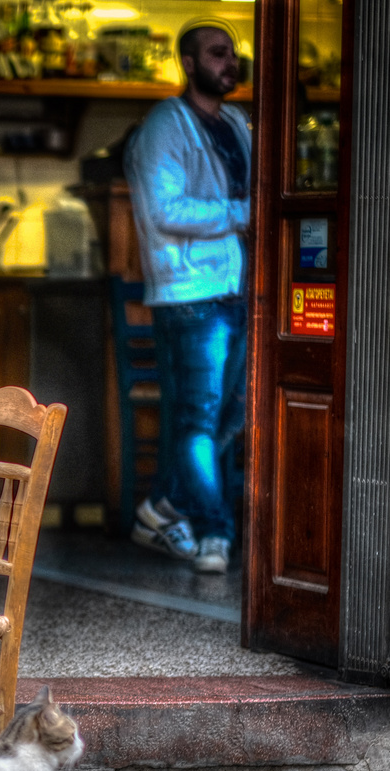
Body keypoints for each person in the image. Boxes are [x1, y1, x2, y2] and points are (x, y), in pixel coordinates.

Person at [124, 23, 251, 574]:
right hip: (189, 295)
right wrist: (241, 214)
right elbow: (163, 208)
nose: (230, 62)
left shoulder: (239, 124)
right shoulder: (163, 126)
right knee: (198, 420)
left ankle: (161, 507)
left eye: (232, 54)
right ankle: (215, 532)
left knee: (227, 416)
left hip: (237, 291)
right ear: (189, 62)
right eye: (217, 54)